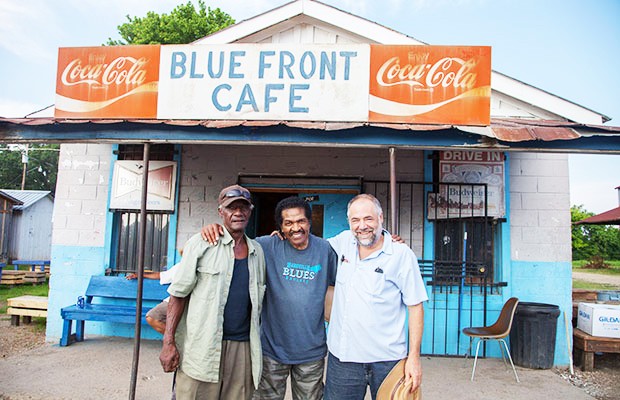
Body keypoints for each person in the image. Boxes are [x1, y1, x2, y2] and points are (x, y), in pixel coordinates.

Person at [202, 196, 338, 400]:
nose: (295, 228)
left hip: (311, 351)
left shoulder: (325, 249)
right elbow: (234, 242)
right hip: (272, 350)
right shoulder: (266, 246)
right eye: (288, 223)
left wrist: (388, 237)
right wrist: (214, 229)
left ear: (309, 222)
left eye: (301, 221)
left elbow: (338, 284)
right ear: (281, 228)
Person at [160, 185, 266, 400]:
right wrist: (168, 342)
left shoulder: (258, 251)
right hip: (201, 346)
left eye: (243, 208)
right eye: (231, 208)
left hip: (243, 348)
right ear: (221, 212)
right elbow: (178, 295)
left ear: (250, 211)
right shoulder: (201, 243)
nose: (238, 212)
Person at [324, 194, 428, 400]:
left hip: (387, 360)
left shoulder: (401, 255)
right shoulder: (343, 242)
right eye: (355, 220)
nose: (362, 225)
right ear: (349, 223)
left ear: (381, 218)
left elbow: (415, 307)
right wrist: (280, 238)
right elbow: (306, 246)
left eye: (368, 219)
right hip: (344, 359)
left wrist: (414, 358)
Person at [125, 263, 178, 334]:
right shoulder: (180, 267)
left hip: (187, 302)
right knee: (152, 317)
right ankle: (177, 340)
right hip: (176, 300)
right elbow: (162, 275)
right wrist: (140, 274)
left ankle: (177, 340)